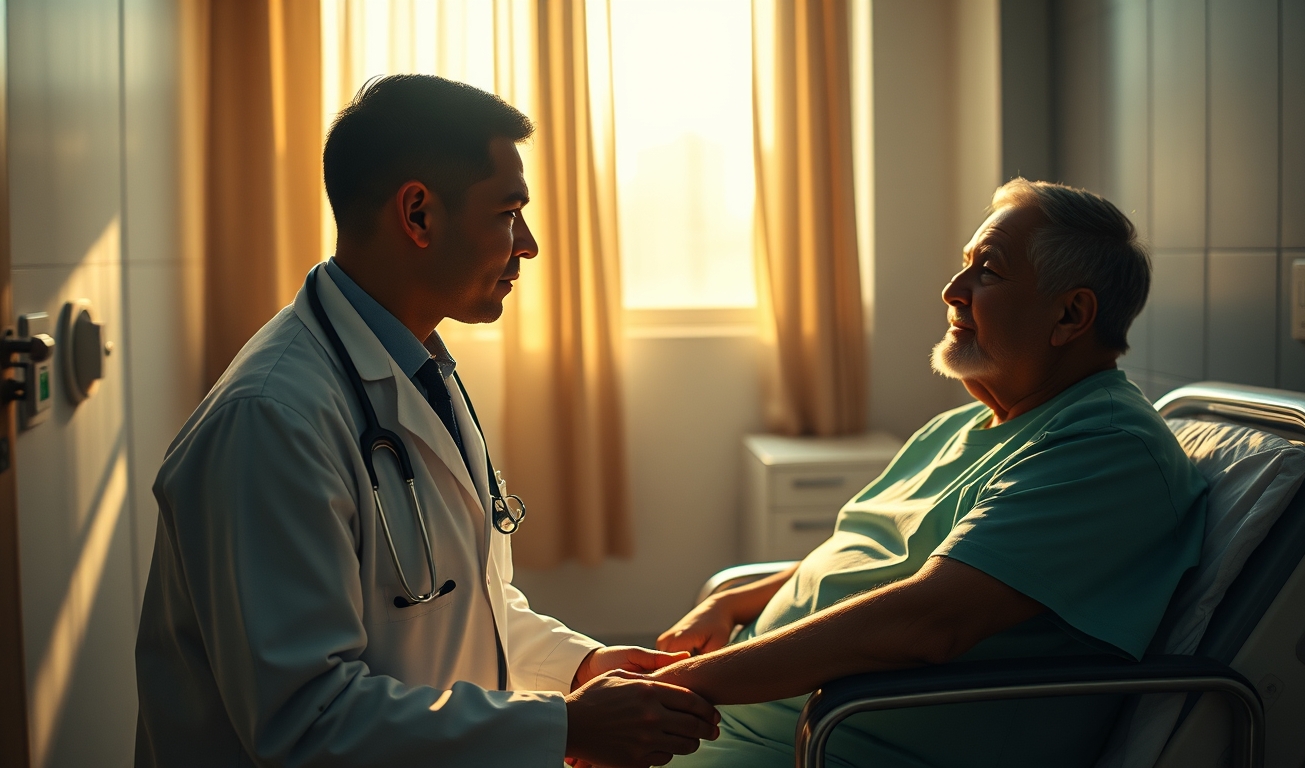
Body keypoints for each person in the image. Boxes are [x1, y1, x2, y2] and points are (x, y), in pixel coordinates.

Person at [134, 75, 717, 767]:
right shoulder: (271, 422)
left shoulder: (418, 371)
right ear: (418, 215)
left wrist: (580, 669)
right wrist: (565, 728)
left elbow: (460, 604)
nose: (526, 244)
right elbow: (305, 723)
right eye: (507, 212)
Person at [651, 180, 1208, 767]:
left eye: (987, 271)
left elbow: (928, 621)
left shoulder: (1104, 449)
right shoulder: (957, 427)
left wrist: (677, 688)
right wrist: (734, 604)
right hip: (740, 722)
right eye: (965, 265)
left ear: (1070, 314)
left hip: (818, 745)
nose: (952, 290)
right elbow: (862, 558)